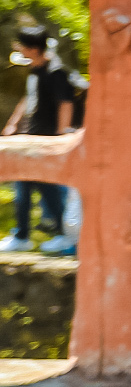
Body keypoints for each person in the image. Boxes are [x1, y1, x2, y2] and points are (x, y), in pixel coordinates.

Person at [3, 27, 85, 253]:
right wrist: (13, 123)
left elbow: (65, 103)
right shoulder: (35, 70)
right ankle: (24, 234)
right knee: (25, 184)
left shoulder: (56, 73)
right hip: (32, 136)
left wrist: (60, 136)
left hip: (46, 139)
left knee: (46, 187)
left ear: (33, 48)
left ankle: (59, 234)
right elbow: (29, 98)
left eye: (21, 45)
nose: (18, 48)